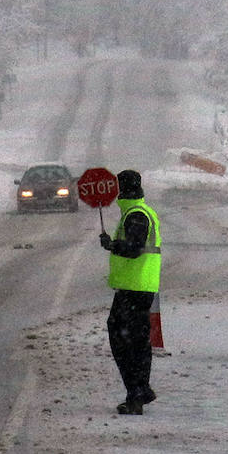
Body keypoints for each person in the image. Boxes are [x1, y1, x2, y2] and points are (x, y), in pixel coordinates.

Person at [98, 169, 162, 415]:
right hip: (140, 288)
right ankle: (139, 390)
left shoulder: (136, 215)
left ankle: (137, 392)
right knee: (136, 341)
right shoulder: (141, 212)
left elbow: (135, 248)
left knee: (125, 341)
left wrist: (112, 245)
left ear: (123, 189)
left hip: (134, 288)